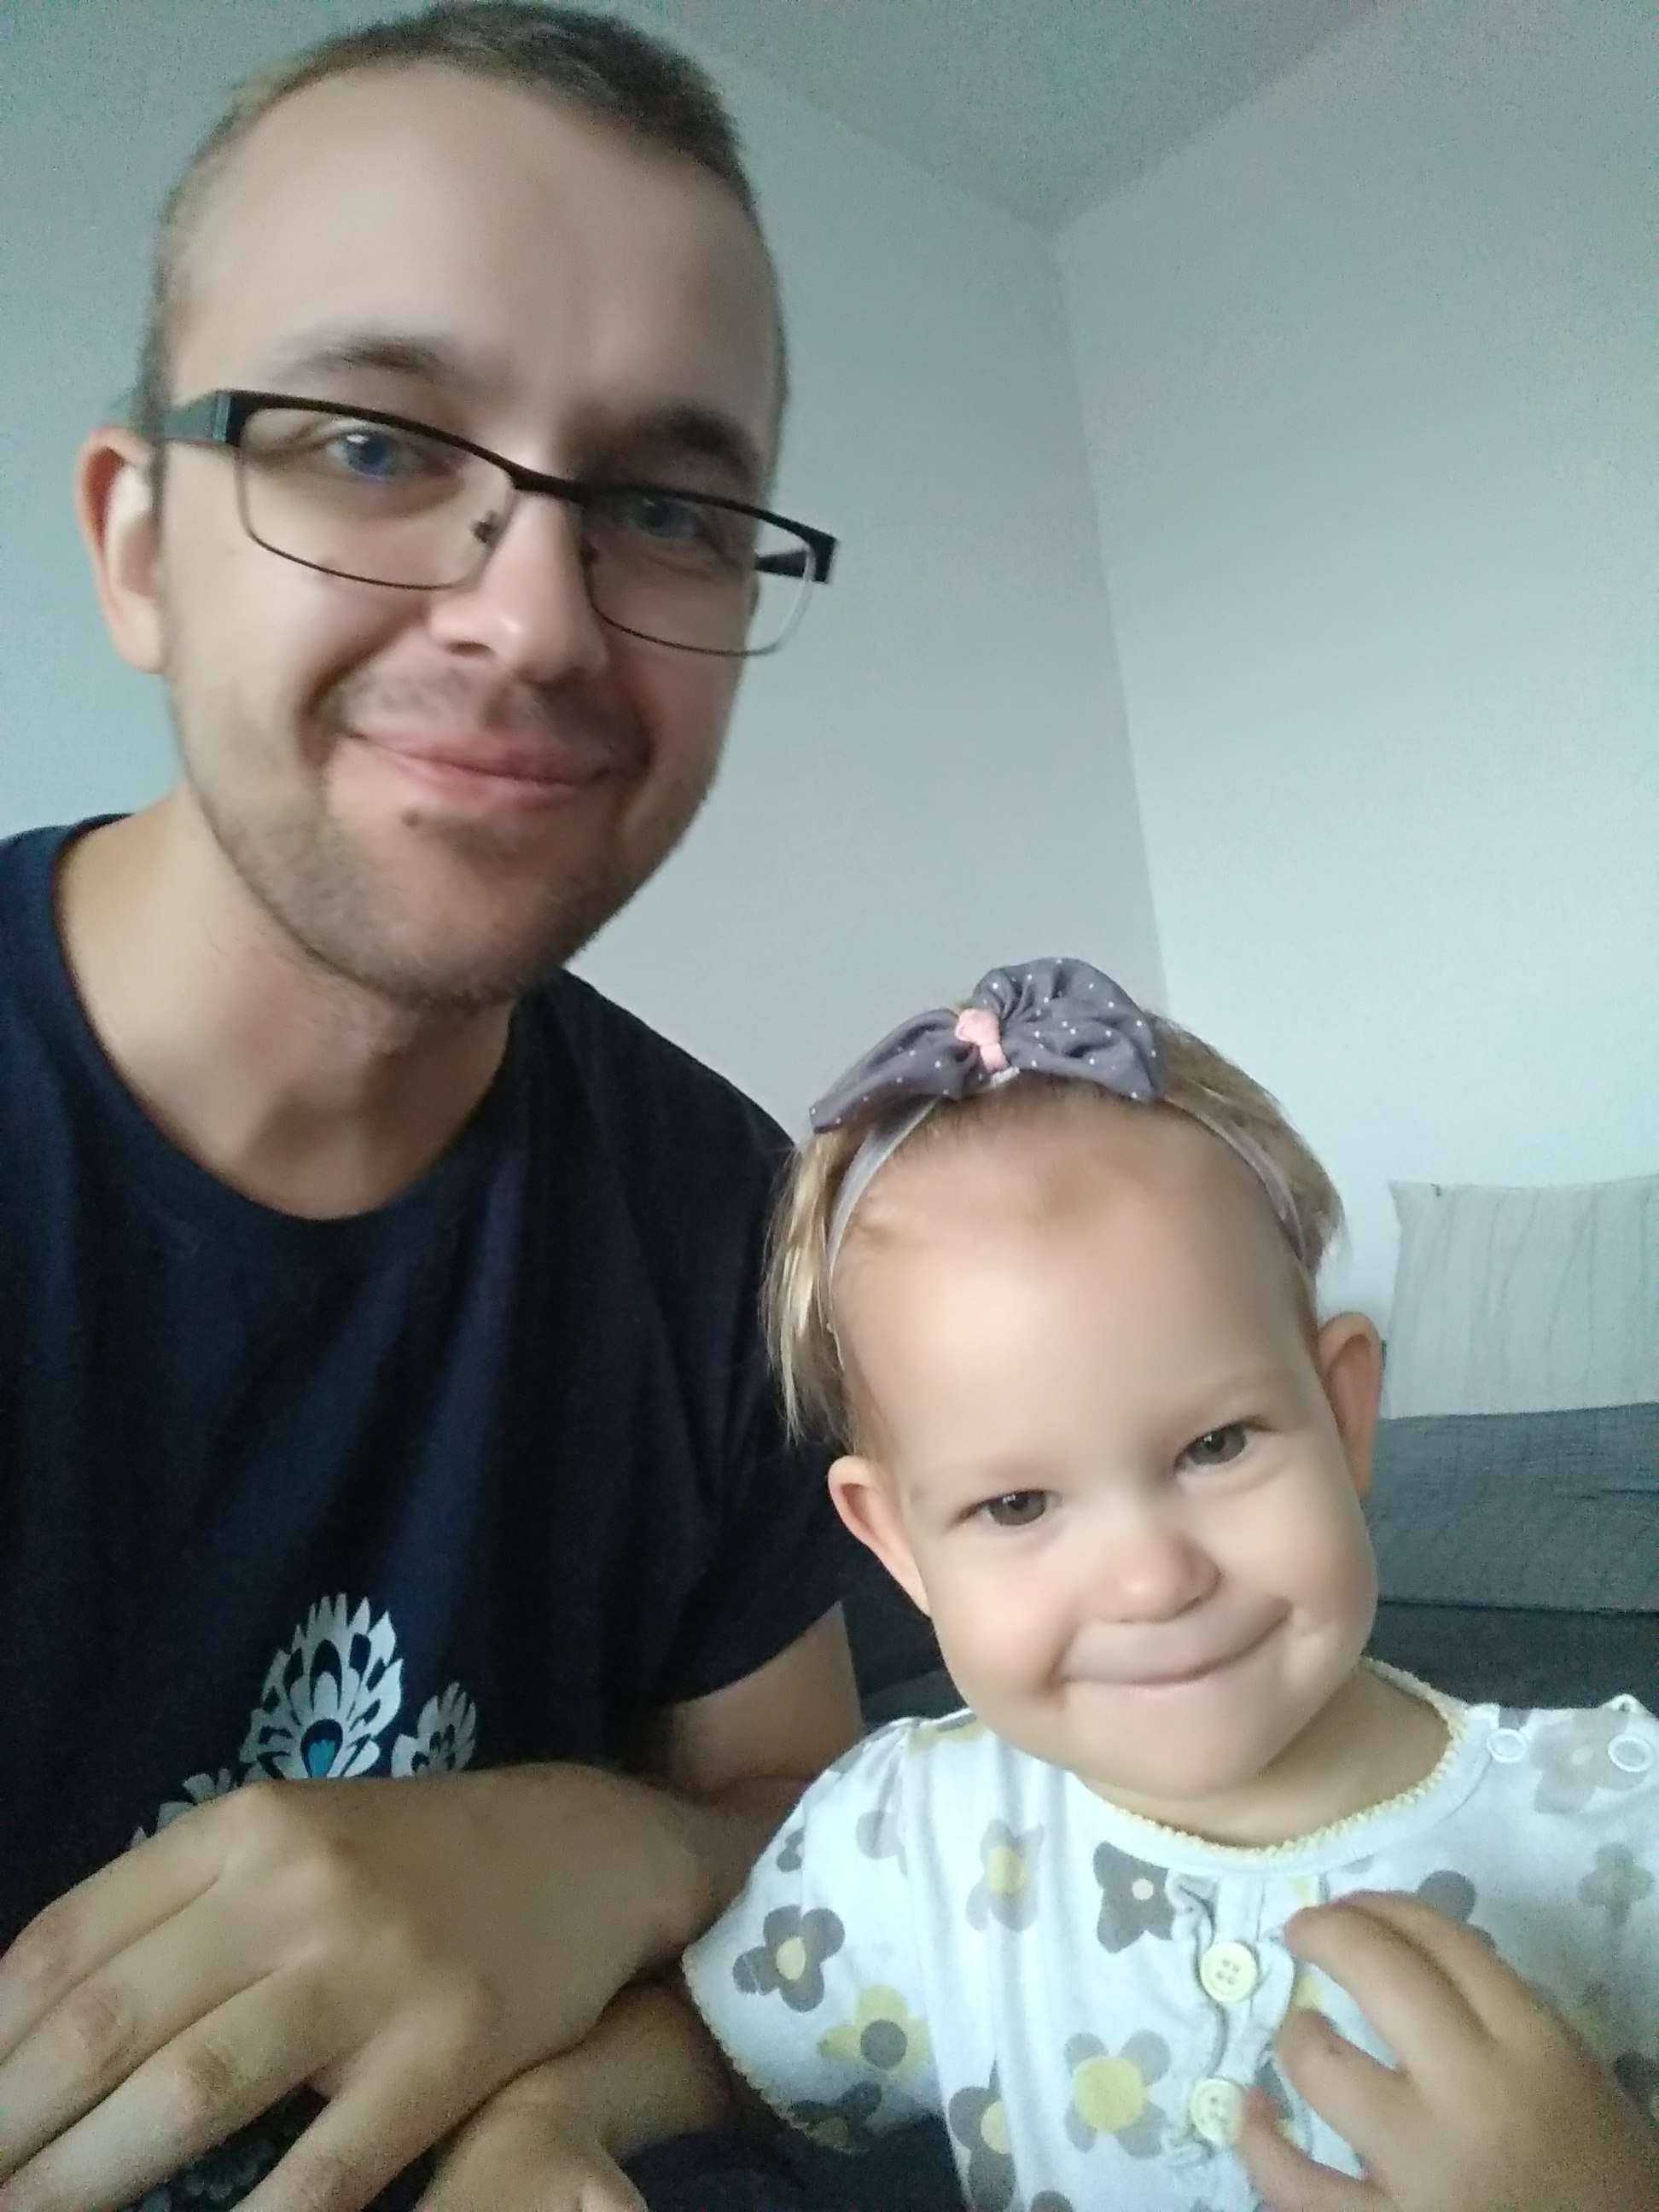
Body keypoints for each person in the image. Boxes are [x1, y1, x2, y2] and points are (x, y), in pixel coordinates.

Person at [0, 9, 894, 2209]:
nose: (533, 622)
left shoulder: (727, 1214)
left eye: (667, 507)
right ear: (139, 545)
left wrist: (591, 1846)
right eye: (375, 445)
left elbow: (815, 1832)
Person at [499, 958, 1659, 2212]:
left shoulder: (1619, 1835)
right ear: (897, 1548)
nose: (1153, 1581)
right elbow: (727, 2044)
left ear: (1343, 1414)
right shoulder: (906, 1840)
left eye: (1216, 1445)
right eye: (1016, 1505)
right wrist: (553, 2117)